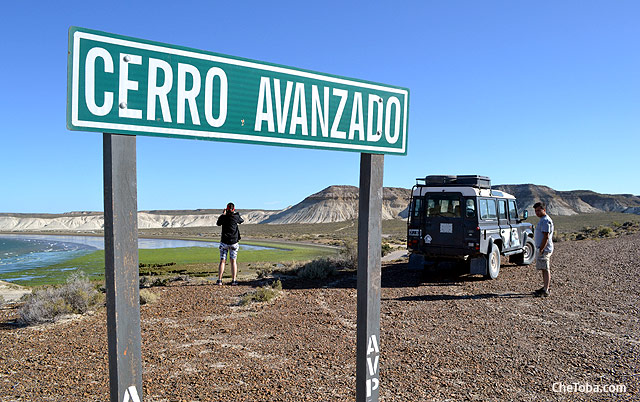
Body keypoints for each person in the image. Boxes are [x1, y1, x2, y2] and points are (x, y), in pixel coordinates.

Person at [216, 202, 244, 285]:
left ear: (226, 209)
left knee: (222, 261)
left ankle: (219, 280)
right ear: (233, 209)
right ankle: (234, 280)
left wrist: (223, 214)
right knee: (233, 261)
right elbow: (241, 221)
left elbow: (218, 223)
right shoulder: (235, 217)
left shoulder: (223, 217)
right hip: (234, 242)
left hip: (224, 242)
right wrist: (235, 213)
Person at [533, 201, 554, 297]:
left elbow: (546, 236)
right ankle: (546, 286)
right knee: (543, 268)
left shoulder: (546, 221)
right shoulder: (542, 220)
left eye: (538, 210)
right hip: (542, 248)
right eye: (535, 211)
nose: (537, 212)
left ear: (544, 210)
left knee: (545, 268)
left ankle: (546, 289)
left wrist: (541, 249)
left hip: (545, 249)